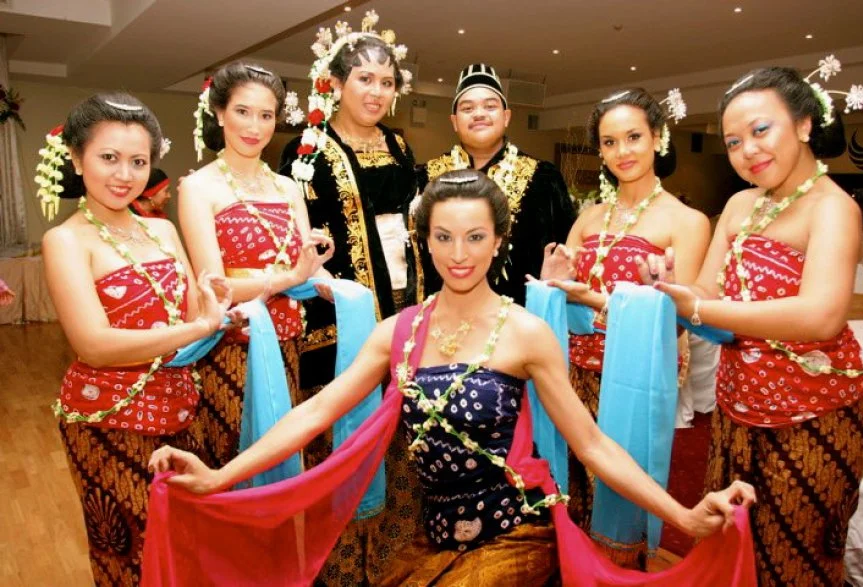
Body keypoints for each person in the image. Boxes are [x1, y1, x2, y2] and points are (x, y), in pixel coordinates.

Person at [148, 170, 756, 586]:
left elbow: (592, 445)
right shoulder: (400, 332)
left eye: (474, 237)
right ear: (424, 242)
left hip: (516, 530)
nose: (458, 253)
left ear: (498, 242)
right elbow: (316, 412)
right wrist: (222, 476)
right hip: (433, 533)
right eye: (443, 237)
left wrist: (680, 515)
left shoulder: (525, 333)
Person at [640, 60, 863, 586]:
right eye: (733, 141)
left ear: (805, 125)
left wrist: (695, 308)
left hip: (813, 417)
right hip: (736, 412)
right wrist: (672, 284)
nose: (749, 150)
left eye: (761, 130)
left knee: (797, 560)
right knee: (733, 547)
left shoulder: (833, 209)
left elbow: (820, 316)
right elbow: (706, 292)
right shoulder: (740, 204)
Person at [37, 93, 233, 586]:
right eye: (108, 158)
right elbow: (94, 345)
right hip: (108, 420)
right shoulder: (65, 240)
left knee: (188, 543)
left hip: (183, 410)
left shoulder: (163, 231)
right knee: (131, 555)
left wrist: (217, 310)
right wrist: (198, 327)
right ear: (78, 159)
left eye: (138, 161)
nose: (124, 174)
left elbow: (192, 312)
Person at [276, 12, 424, 584]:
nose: (377, 92)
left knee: (399, 442)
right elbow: (299, 237)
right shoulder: (308, 147)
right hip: (339, 318)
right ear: (334, 84)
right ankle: (336, 565)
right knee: (341, 443)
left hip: (403, 303)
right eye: (365, 79)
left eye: (387, 82)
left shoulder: (399, 143)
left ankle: (390, 561)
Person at [537, 87, 710, 567]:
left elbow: (680, 319)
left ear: (659, 137)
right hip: (572, 372)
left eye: (634, 137)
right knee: (569, 487)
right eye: (609, 142)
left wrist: (597, 299)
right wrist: (554, 282)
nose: (622, 152)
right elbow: (560, 284)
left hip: (633, 379)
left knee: (620, 486)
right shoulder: (589, 217)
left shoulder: (686, 221)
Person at [181, 60, 333, 472]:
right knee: (236, 461)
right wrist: (290, 278)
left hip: (287, 343)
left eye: (266, 115)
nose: (254, 126)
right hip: (230, 349)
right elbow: (215, 287)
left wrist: (331, 281)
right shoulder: (198, 187)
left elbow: (308, 267)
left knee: (283, 455)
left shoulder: (287, 187)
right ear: (219, 113)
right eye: (242, 112)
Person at [418, 63, 576, 305]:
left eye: (490, 106)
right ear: (454, 121)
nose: (479, 114)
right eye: (467, 108)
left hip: (520, 321)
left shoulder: (544, 178)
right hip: (441, 317)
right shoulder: (426, 177)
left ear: (506, 117)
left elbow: (567, 252)